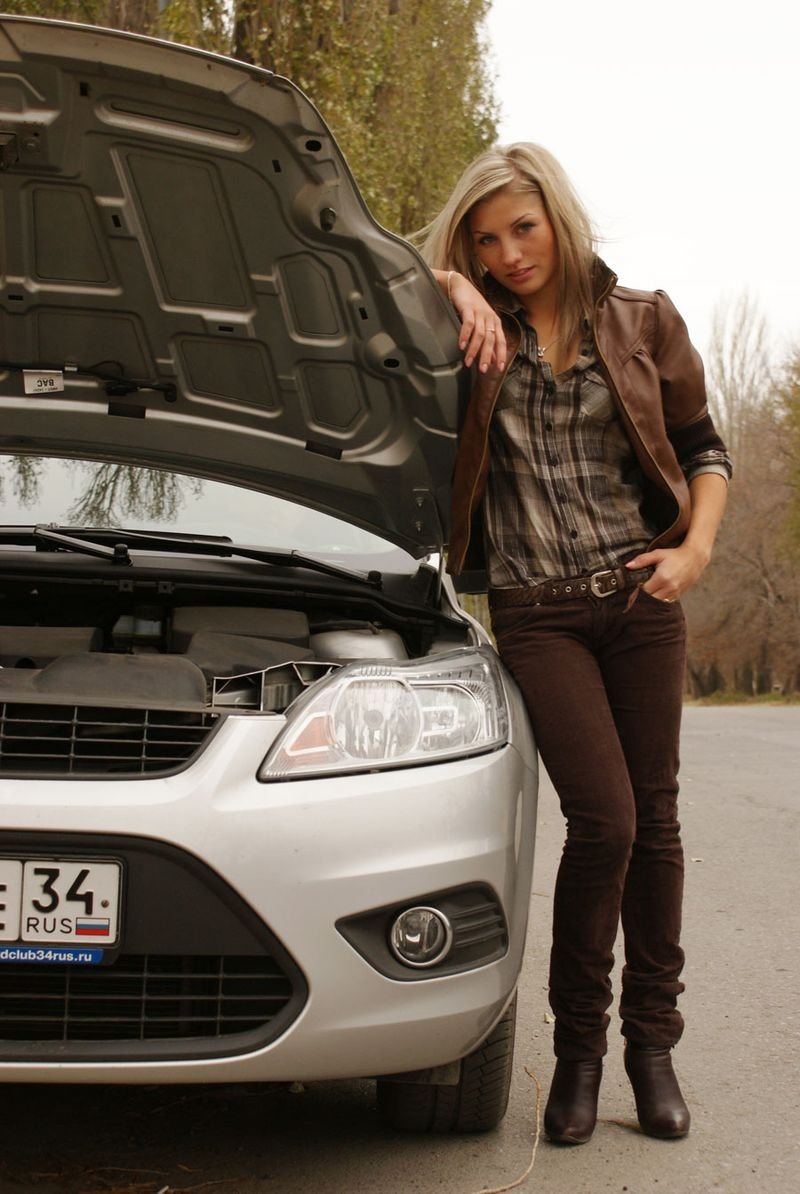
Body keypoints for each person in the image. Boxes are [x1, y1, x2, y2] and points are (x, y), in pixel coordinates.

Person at [419, 143, 731, 1145]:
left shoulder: (640, 318)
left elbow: (702, 449)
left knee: (657, 823)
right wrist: (440, 282)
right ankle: (578, 1052)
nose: (509, 253)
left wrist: (693, 550)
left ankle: (651, 1049)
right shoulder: (465, 328)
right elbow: (350, 278)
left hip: (641, 602)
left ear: (555, 214)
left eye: (523, 227)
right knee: (603, 821)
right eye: (484, 239)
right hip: (536, 610)